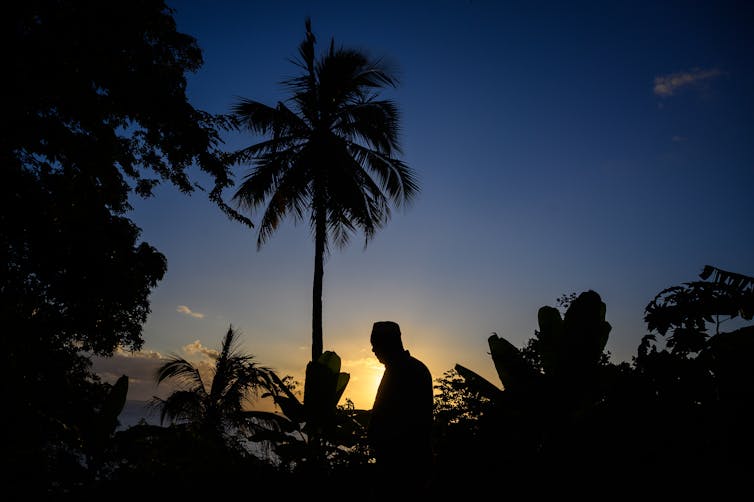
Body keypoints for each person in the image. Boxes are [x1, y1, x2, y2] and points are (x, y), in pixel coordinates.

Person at [367, 321, 434, 497]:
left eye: (375, 344)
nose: (373, 350)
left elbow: (409, 422)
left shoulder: (404, 371)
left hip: (402, 466)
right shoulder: (410, 369)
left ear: (387, 343)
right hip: (405, 463)